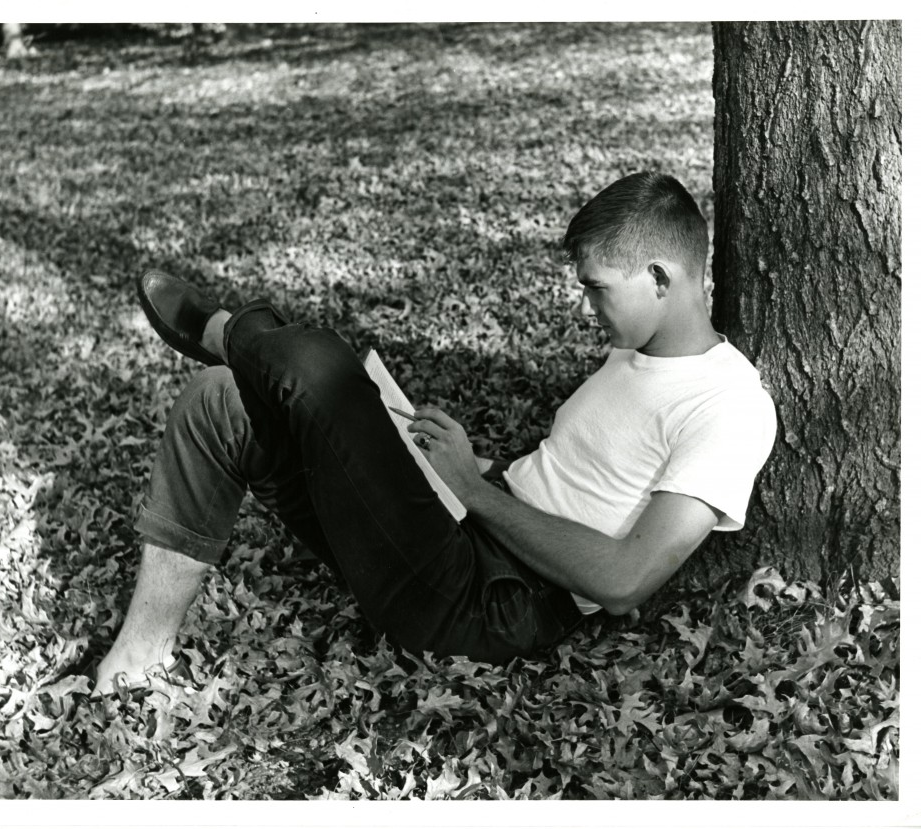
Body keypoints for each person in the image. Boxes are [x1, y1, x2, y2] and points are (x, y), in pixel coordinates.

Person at [90, 171, 776, 697]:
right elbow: (579, 482)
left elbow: (626, 580)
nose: (587, 305)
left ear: (660, 278)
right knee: (223, 400)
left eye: (598, 288)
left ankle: (225, 331)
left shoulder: (730, 406)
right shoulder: (636, 351)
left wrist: (474, 491)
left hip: (495, 602)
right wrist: (464, 463)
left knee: (317, 365)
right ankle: (143, 648)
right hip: (463, 534)